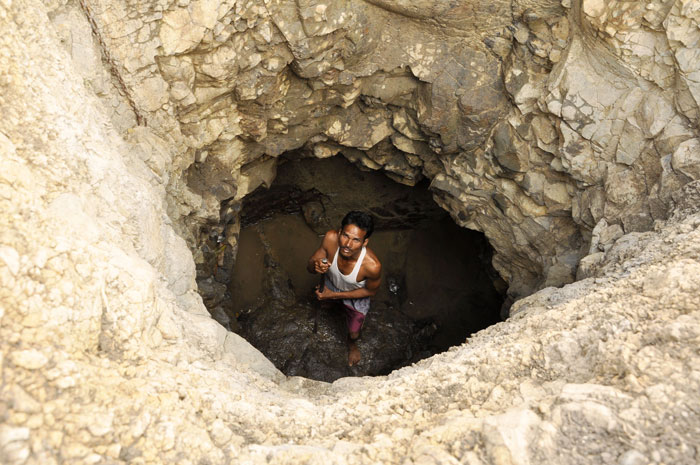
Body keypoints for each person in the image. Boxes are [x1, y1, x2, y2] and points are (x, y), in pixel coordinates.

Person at [307, 211, 382, 366]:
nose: (347, 244)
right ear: (340, 232)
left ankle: (352, 344)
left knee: (354, 333)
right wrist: (316, 266)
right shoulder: (330, 239)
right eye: (345, 236)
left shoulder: (372, 266)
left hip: (355, 294)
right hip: (331, 283)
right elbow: (310, 267)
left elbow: (370, 291)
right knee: (324, 302)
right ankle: (331, 304)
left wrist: (332, 295)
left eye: (356, 240)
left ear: (365, 242)